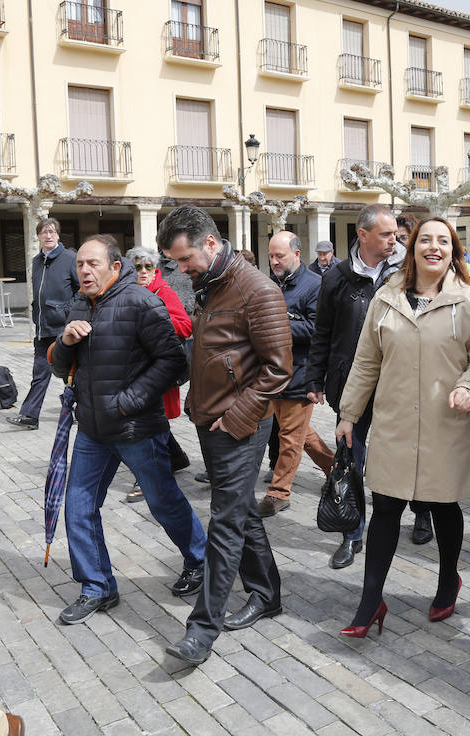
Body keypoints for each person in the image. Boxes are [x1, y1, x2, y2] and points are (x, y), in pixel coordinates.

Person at [336, 217, 470, 637]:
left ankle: (448, 579)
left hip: (447, 422)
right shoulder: (386, 298)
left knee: (444, 505)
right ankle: (371, 600)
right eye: (426, 239)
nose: (434, 247)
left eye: (443, 241)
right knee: (386, 507)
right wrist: (348, 413)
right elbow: (366, 360)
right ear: (412, 248)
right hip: (394, 422)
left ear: (454, 251)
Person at [157, 205, 292, 666]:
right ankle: (266, 593)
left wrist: (237, 417)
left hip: (241, 426)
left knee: (226, 522)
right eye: (175, 261)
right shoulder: (209, 283)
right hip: (211, 421)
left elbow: (278, 371)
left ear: (210, 243)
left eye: (185, 258)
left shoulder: (257, 289)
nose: (181, 268)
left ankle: (201, 630)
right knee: (240, 513)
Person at [49, 234, 207, 625]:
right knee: (79, 508)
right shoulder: (78, 305)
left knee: (164, 502)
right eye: (80, 264)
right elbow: (59, 367)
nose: (84, 270)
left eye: (93, 264)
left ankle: (201, 560)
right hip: (92, 431)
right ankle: (97, 587)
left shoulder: (140, 301)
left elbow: (174, 363)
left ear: (115, 267)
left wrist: (128, 401)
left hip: (137, 428)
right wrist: (66, 341)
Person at [306, 204, 433, 568]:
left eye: (396, 233)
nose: (395, 239)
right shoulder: (337, 277)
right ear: (363, 235)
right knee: (351, 458)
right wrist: (314, 378)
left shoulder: (408, 272)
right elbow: (323, 333)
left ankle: (422, 512)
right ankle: (352, 531)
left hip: (401, 384)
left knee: (411, 453)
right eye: (386, 234)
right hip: (350, 384)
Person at [258, 231, 334, 517]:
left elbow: (318, 330)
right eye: (271, 256)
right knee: (301, 433)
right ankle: (336, 469)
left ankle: (279, 493)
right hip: (272, 374)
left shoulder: (316, 285)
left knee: (290, 438)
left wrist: (277, 326)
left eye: (280, 256)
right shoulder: (270, 284)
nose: (275, 261)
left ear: (297, 254)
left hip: (301, 374)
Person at [124, 246, 193, 503]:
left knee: (146, 424)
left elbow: (185, 325)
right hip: (132, 371)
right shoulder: (126, 292)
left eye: (148, 267)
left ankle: (147, 477)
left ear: (156, 270)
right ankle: (176, 457)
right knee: (149, 421)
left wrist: (156, 316)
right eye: (137, 266)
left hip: (158, 371)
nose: (143, 271)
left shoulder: (164, 292)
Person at [6, 217, 79, 430]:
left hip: (62, 328)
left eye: (52, 231)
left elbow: (81, 290)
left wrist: (65, 310)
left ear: (58, 235)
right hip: (42, 328)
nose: (48, 235)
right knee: (39, 374)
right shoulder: (37, 261)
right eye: (44, 232)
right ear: (38, 236)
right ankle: (29, 416)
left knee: (71, 374)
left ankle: (82, 411)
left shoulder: (69, 258)